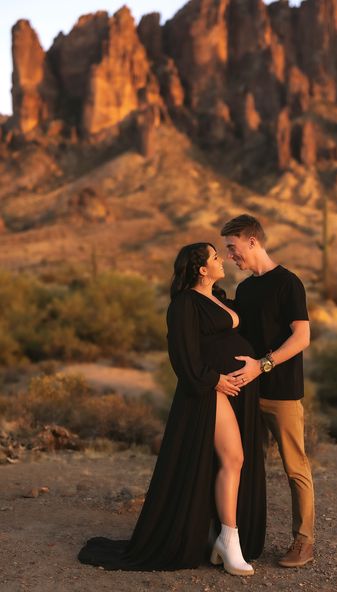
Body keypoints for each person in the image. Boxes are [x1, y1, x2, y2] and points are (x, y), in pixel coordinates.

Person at [78, 243, 266, 576]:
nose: (221, 260)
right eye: (214, 257)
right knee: (234, 457)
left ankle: (217, 534)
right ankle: (229, 541)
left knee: (225, 461)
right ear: (201, 269)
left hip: (236, 389)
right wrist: (213, 380)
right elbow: (182, 355)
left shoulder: (219, 297)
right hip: (210, 391)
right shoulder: (184, 304)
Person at [220, 215, 314, 568]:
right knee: (240, 464)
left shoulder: (289, 284)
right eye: (227, 250)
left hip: (282, 391)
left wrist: (263, 364)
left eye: (233, 247)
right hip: (244, 392)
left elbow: (302, 337)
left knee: (295, 467)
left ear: (253, 242)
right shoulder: (245, 289)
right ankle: (239, 537)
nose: (231, 256)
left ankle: (303, 541)